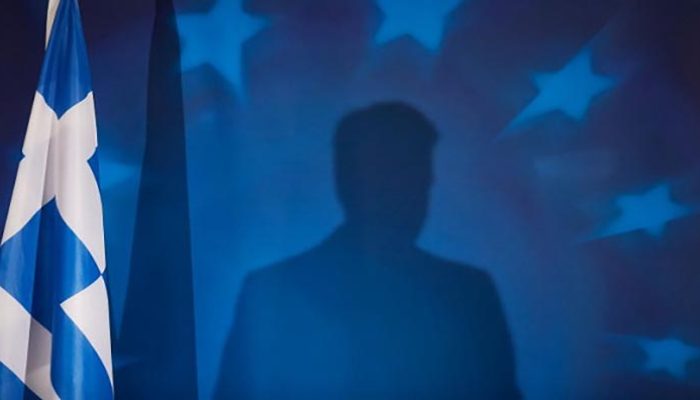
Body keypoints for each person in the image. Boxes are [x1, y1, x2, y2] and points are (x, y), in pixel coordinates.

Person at [215, 102, 520, 399]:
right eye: (394, 179)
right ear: (347, 183)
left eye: (419, 181)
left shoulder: (470, 295)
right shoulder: (270, 295)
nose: (413, 197)